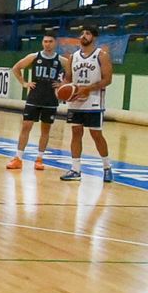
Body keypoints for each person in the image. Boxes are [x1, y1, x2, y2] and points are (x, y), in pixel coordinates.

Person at [6, 34, 68, 170]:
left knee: (45, 130)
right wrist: (24, 83)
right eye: (45, 41)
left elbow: (72, 73)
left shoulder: (61, 60)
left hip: (50, 99)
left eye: (50, 41)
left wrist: (62, 84)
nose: (47, 44)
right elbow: (16, 68)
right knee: (26, 127)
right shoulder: (34, 57)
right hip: (34, 97)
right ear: (42, 43)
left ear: (55, 43)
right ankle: (18, 158)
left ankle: (39, 159)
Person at [61, 24, 114, 183]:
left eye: (88, 33)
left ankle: (107, 167)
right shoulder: (73, 57)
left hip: (94, 102)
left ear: (94, 37)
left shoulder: (101, 55)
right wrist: (64, 88)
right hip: (76, 102)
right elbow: (68, 78)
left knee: (96, 135)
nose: (84, 36)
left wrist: (88, 89)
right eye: (82, 33)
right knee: (76, 133)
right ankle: (75, 169)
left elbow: (107, 79)